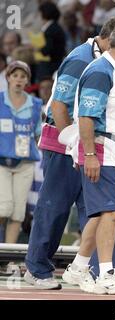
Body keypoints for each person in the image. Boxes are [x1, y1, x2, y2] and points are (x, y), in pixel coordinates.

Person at [24, 15, 115, 290]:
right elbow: (58, 106)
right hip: (65, 142)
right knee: (55, 207)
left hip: (91, 144)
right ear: (111, 38)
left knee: (98, 210)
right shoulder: (80, 58)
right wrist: (77, 148)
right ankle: (36, 269)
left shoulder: (111, 63)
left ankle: (101, 271)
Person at [62, 20, 115, 295]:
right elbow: (86, 116)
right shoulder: (100, 71)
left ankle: (78, 267)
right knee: (111, 213)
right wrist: (90, 155)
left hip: (114, 153)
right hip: (102, 151)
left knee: (100, 215)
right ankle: (106, 274)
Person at [0, 61, 42, 243]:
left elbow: (38, 133)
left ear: (27, 81)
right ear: (8, 77)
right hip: (1, 163)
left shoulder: (35, 104)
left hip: (25, 164)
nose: (18, 80)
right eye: (15, 75)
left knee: (17, 212)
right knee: (4, 208)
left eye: (22, 76)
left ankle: (8, 257)